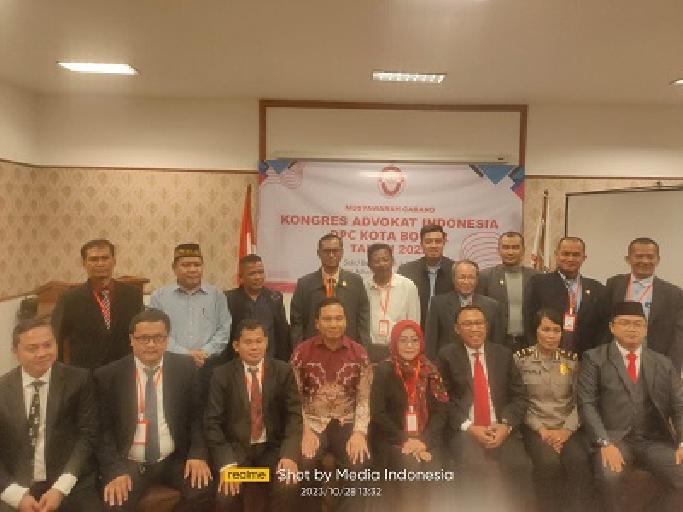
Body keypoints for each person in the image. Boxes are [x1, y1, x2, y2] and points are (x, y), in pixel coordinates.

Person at [94, 308, 213, 512]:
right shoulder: (108, 376)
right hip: (129, 461)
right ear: (131, 340)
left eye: (158, 338)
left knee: (203, 489)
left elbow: (197, 417)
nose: (151, 344)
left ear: (167, 339)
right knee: (115, 504)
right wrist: (114, 471)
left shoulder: (185, 368)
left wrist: (197, 454)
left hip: (172, 457)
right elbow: (103, 432)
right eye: (144, 338)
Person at [578, 301, 683, 512]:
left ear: (645, 329)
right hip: (615, 439)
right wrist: (604, 443)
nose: (632, 329)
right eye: (625, 323)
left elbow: (680, 404)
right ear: (612, 327)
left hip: (653, 440)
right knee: (610, 477)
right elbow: (586, 404)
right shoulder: (594, 358)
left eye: (638, 324)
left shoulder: (662, 363)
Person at [0, 318, 103, 512]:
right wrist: (16, 496)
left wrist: (60, 488)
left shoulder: (79, 380)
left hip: (69, 481)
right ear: (15, 352)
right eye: (32, 348)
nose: (42, 353)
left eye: (48, 345)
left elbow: (88, 435)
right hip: (15, 484)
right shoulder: (2, 389)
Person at [437, 305, 532, 512]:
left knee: (519, 466)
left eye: (479, 323)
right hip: (465, 429)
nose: (475, 329)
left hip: (500, 426)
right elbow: (443, 400)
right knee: (475, 468)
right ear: (457, 329)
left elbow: (519, 397)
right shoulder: (446, 356)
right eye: (468, 324)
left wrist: (505, 425)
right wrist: (469, 427)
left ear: (486, 326)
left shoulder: (503, 354)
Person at [204, 319, 302, 512]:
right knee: (226, 496)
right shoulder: (221, 375)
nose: (254, 347)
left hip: (272, 451)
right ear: (236, 346)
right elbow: (212, 423)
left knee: (288, 483)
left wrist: (289, 455)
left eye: (259, 341)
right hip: (237, 453)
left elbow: (294, 416)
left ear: (266, 342)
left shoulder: (283, 371)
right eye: (248, 342)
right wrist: (226, 463)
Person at [290, 297, 373, 512]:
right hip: (312, 422)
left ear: (346, 321)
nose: (333, 324)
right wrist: (304, 430)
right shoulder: (301, 353)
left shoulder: (359, 353)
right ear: (317, 323)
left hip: (347, 422)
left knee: (359, 464)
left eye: (338, 318)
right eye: (327, 319)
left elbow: (364, 398)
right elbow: (294, 398)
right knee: (306, 464)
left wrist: (359, 433)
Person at [514, 308, 593, 512]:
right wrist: (542, 430)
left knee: (579, 461)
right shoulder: (521, 360)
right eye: (546, 329)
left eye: (556, 330)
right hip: (535, 427)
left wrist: (566, 431)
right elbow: (519, 401)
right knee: (548, 463)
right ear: (536, 331)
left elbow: (580, 401)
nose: (551, 335)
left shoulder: (571, 361)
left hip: (566, 427)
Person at [369, 320, 449, 512]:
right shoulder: (384, 370)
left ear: (421, 342)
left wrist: (423, 442)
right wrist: (406, 440)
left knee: (435, 472)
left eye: (414, 340)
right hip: (393, 439)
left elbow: (441, 412)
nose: (409, 345)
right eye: (403, 340)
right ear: (394, 343)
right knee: (410, 469)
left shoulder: (431, 371)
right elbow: (378, 413)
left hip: (426, 439)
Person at [52, 239, 143, 369]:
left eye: (105, 258)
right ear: (84, 263)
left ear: (114, 261)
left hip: (124, 370)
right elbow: (57, 338)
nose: (100, 263)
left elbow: (140, 333)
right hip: (85, 373)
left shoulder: (133, 295)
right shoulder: (69, 299)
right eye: (94, 259)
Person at [605, 237, 683, 372]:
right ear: (628, 259)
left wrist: (672, 370)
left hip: (655, 362)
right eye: (639, 256)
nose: (645, 261)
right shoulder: (614, 284)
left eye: (650, 257)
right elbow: (604, 321)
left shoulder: (674, 293)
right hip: (616, 358)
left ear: (658, 259)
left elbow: (678, 336)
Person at [150, 243, 231, 368]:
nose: (193, 270)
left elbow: (224, 329)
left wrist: (204, 352)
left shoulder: (217, 295)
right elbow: (156, 332)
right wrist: (186, 354)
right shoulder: (159, 297)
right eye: (186, 265)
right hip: (171, 364)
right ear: (174, 267)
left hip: (209, 364)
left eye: (197, 265)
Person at [525, 236, 609, 355]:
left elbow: (602, 327)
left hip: (586, 357)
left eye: (576, 255)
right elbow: (529, 322)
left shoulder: (597, 288)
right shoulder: (538, 283)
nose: (570, 259)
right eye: (565, 254)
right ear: (556, 255)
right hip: (548, 355)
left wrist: (595, 356)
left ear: (584, 258)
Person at [290, 233, 370, 346]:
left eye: (335, 251)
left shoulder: (355, 282)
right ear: (319, 253)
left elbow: (363, 322)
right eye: (326, 251)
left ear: (342, 253)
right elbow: (297, 323)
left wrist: (362, 351)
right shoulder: (305, 284)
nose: (331, 255)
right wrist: (299, 350)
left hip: (348, 349)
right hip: (314, 349)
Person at [424, 259, 504, 360]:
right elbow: (431, 341)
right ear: (453, 279)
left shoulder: (492, 306)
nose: (466, 282)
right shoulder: (438, 304)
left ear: (477, 280)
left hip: (481, 362)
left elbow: (497, 344)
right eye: (462, 277)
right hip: (448, 363)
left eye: (471, 277)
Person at [477, 232, 538, 350]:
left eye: (515, 247)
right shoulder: (485, 277)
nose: (510, 252)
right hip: (496, 343)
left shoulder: (536, 277)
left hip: (529, 343)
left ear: (523, 250)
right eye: (505, 247)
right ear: (498, 250)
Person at [225, 254, 291, 362]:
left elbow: (282, 334)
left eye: (261, 272)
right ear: (241, 277)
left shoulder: (275, 298)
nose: (258, 277)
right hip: (238, 363)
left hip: (269, 362)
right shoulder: (229, 299)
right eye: (252, 273)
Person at [364, 244, 420, 362]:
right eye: (376, 261)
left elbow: (414, 322)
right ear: (369, 265)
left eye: (385, 259)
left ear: (393, 261)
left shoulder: (408, 286)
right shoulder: (363, 287)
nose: (382, 264)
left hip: (400, 350)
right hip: (370, 349)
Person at [397, 224, 455, 329]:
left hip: (447, 332)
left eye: (438, 241)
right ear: (421, 244)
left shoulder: (455, 270)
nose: (433, 245)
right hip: (415, 330)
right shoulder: (406, 271)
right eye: (428, 242)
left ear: (444, 243)